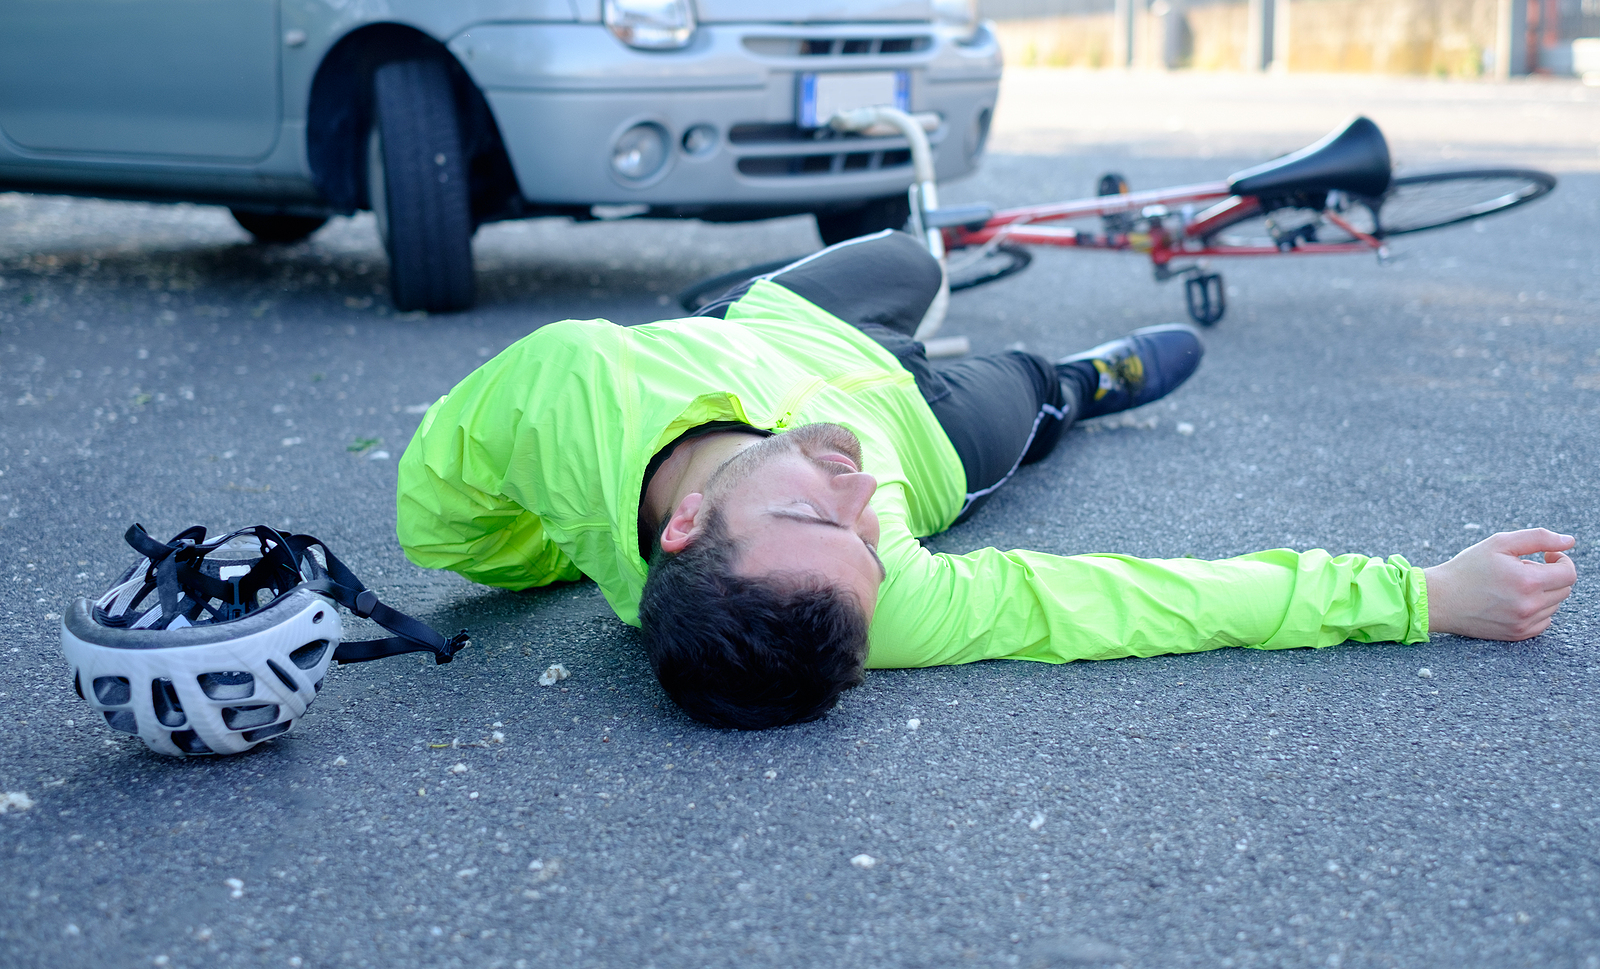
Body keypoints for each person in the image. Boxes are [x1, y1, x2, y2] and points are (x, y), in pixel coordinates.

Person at [396, 231, 1578, 730]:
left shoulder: (560, 385)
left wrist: (571, 543)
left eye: (813, 510)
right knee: (1027, 391)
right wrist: (1419, 594)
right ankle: (1079, 382)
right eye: (867, 542)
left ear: (687, 520)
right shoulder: (875, 601)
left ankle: (777, 286)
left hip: (785, 322)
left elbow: (445, 527)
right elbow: (1133, 598)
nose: (862, 501)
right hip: (931, 420)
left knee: (912, 255)